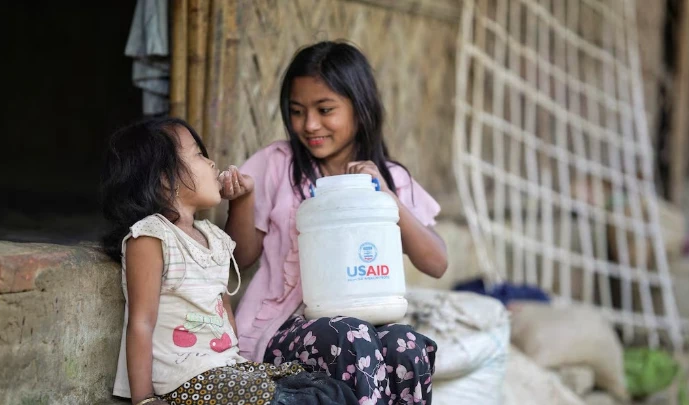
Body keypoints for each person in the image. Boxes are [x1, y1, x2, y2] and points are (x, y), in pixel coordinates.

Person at [224, 41, 448, 404]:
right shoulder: (278, 164)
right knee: (355, 335)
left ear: (360, 110)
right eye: (297, 111)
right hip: (284, 331)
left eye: (325, 109)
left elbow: (437, 263)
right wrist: (244, 200)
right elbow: (240, 257)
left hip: (366, 329)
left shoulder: (390, 177)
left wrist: (386, 197)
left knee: (407, 344)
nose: (309, 124)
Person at [101, 117, 356, 405]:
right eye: (198, 155)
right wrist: (144, 399)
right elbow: (141, 322)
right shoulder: (151, 236)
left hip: (225, 369)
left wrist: (243, 197)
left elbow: (223, 308)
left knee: (325, 390)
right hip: (184, 379)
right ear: (163, 177)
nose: (212, 164)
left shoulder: (213, 237)